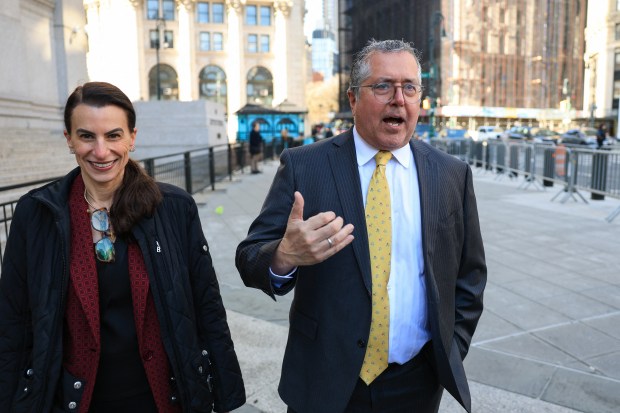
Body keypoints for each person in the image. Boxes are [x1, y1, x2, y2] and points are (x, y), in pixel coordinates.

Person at [236, 39, 486, 413]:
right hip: (325, 380)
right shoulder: (305, 166)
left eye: (410, 87)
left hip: (416, 383)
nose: (398, 99)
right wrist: (284, 256)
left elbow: (470, 275)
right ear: (353, 100)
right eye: (383, 86)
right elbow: (249, 258)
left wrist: (450, 348)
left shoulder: (452, 174)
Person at [0, 82, 245, 413]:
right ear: (69, 140)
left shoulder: (173, 208)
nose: (101, 151)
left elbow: (205, 305)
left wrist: (225, 392)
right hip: (73, 398)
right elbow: (13, 318)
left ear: (132, 136)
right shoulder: (37, 213)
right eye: (87, 136)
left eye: (113, 135)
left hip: (162, 397)